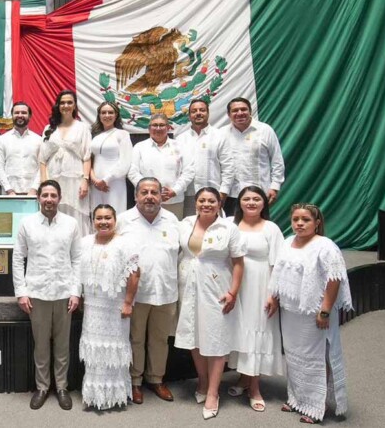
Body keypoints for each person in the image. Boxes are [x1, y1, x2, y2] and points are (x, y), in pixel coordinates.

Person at [270, 204, 352, 424]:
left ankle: (317, 406)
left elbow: (334, 279)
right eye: (295, 219)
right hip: (291, 311)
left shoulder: (326, 246)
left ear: (317, 223)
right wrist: (274, 297)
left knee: (314, 357)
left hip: (314, 312)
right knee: (294, 356)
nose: (299, 223)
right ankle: (297, 399)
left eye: (305, 220)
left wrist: (325, 311)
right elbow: (278, 273)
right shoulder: (287, 242)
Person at [174, 186, 246, 419]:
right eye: (202, 200)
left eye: (211, 201)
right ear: (195, 203)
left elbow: (238, 263)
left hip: (217, 287)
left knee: (216, 338)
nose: (206, 204)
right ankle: (203, 382)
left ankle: (213, 393)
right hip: (187, 285)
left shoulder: (229, 228)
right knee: (193, 335)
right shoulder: (185, 223)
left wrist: (233, 292)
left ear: (219, 204)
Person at [13, 180, 82, 410]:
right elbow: (17, 258)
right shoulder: (27, 223)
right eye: (45, 195)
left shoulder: (71, 224)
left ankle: (61, 387)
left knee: (62, 345)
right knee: (41, 346)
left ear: (59, 198)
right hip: (37, 293)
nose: (49, 199)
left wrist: (76, 292)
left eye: (53, 195)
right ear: (38, 198)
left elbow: (77, 259)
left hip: (64, 293)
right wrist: (21, 292)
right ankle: (42, 387)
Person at [116, 177, 180, 404]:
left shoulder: (172, 220)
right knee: (135, 339)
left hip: (166, 291)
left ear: (162, 196)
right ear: (136, 196)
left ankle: (156, 379)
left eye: (154, 192)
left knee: (160, 339)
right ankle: (135, 381)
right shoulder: (124, 220)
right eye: (144, 192)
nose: (150, 197)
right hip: (136, 294)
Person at [226, 186, 285, 411]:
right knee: (240, 331)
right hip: (234, 285)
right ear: (239, 202)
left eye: (256, 199)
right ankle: (244, 378)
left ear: (264, 203)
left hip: (260, 286)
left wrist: (273, 294)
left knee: (257, 330)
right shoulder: (229, 224)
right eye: (247, 199)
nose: (251, 202)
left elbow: (278, 264)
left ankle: (255, 388)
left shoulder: (271, 228)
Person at [79, 204, 140, 410]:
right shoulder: (85, 242)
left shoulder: (125, 243)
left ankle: (114, 396)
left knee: (114, 350)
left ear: (115, 220)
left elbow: (134, 274)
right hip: (92, 307)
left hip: (116, 307)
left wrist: (128, 302)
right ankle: (95, 397)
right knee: (94, 351)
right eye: (99, 218)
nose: (103, 222)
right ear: (93, 221)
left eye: (108, 218)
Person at [40, 90, 92, 235]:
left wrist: (85, 180)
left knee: (76, 215)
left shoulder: (82, 128)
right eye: (62, 103)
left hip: (75, 179)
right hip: (54, 178)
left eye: (69, 102)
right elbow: (42, 159)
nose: (66, 106)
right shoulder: (49, 129)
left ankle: (77, 248)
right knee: (55, 213)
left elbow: (87, 156)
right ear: (58, 105)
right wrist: (44, 182)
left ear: (75, 105)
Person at [222, 97, 285, 215]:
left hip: (259, 194)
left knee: (259, 226)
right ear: (229, 115)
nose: (240, 113)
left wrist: (275, 187)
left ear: (250, 111)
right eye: (235, 110)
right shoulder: (221, 134)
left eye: (243, 109)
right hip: (231, 195)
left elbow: (277, 161)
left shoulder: (265, 130)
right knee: (231, 226)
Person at [128, 114, 195, 219]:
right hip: (145, 200)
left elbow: (189, 171)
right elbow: (132, 172)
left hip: (173, 200)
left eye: (162, 125)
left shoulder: (180, 146)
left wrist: (175, 190)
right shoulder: (139, 147)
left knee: (172, 228)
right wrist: (149, 191)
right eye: (155, 125)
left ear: (168, 127)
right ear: (149, 128)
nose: (158, 128)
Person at [175, 99, 234, 216]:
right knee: (190, 226)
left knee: (215, 226)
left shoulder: (220, 136)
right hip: (187, 196)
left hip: (213, 194)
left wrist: (223, 193)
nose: (198, 113)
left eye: (202, 110)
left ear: (208, 113)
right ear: (189, 115)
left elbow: (228, 167)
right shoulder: (180, 139)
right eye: (194, 111)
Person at [89, 101, 132, 214]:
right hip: (95, 184)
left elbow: (125, 162)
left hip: (114, 183)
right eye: (103, 112)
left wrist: (105, 180)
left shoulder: (122, 134)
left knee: (115, 213)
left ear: (116, 115)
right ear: (99, 115)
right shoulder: (95, 136)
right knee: (97, 214)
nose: (107, 115)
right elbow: (90, 160)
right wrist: (94, 180)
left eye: (110, 112)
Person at [0, 102, 42, 195]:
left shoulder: (38, 140)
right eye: (16, 113)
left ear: (30, 116)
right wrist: (9, 190)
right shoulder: (2, 140)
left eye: (23, 113)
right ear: (12, 116)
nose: (20, 115)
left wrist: (34, 189)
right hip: (8, 195)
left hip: (33, 194)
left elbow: (42, 167)